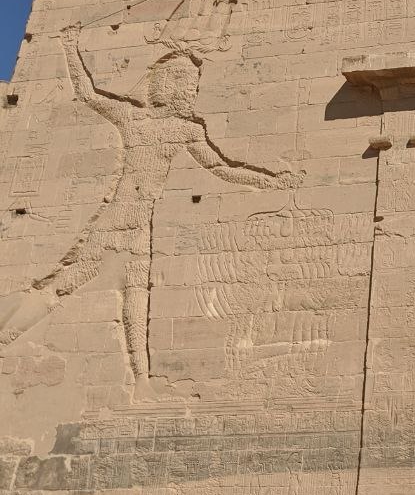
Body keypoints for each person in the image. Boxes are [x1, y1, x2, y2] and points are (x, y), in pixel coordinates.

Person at [0, 25, 300, 384]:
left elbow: (221, 168)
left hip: (135, 221)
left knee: (124, 294)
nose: (188, 88)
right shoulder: (158, 123)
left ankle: (140, 378)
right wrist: (68, 45)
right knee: (103, 290)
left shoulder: (165, 124)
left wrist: (268, 181)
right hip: (124, 218)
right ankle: (14, 336)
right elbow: (86, 92)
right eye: (185, 81)